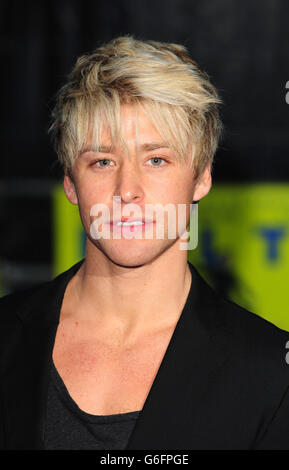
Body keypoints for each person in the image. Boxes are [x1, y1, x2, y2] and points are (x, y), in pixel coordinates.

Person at [1, 36, 289, 451]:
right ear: (70, 182)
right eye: (103, 161)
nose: (127, 189)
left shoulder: (269, 374)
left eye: (156, 159)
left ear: (202, 177)